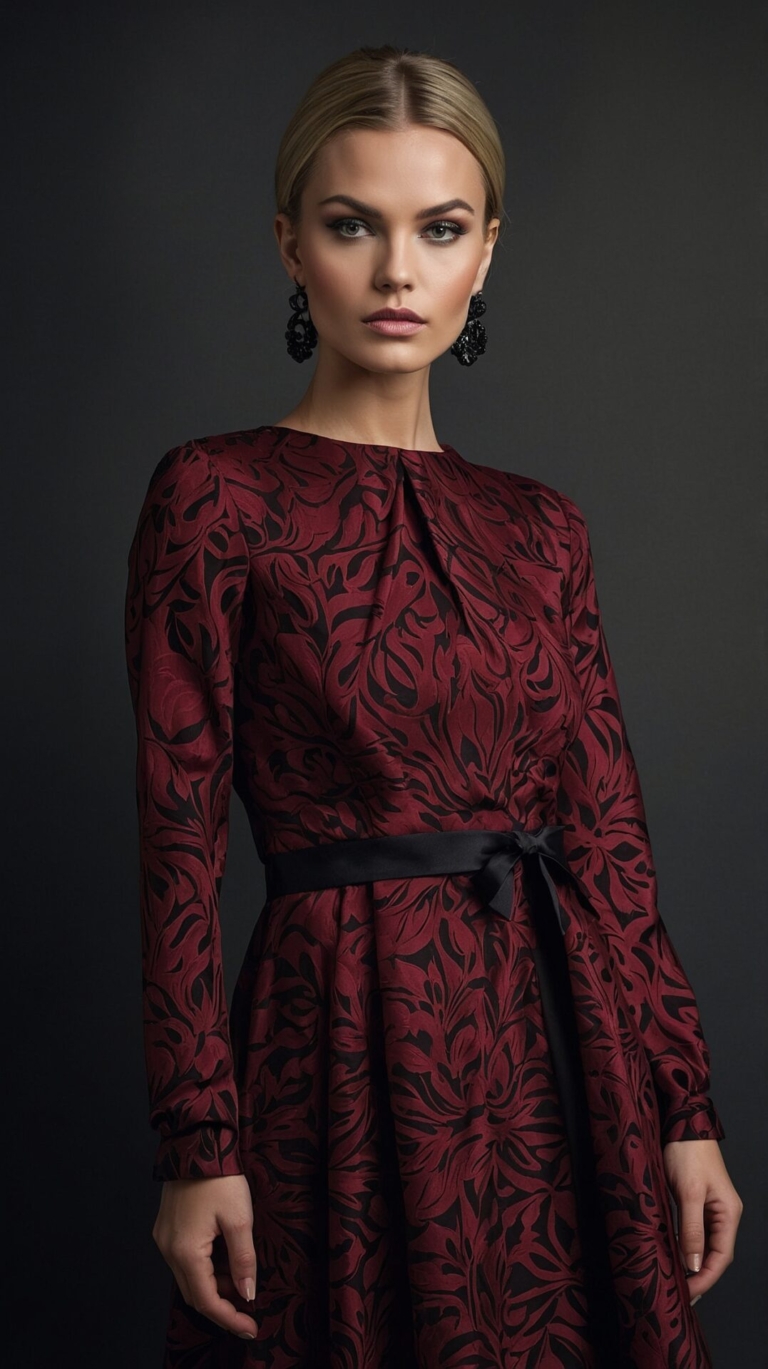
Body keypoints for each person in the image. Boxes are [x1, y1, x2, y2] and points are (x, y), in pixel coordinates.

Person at [124, 43, 742, 1369]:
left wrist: (683, 1102)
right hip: (335, 1034)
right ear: (291, 243)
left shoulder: (542, 527)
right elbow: (176, 848)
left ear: (488, 250)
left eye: (439, 228)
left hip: (556, 1040)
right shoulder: (215, 496)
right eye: (355, 225)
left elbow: (609, 842)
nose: (398, 273)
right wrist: (197, 1143)